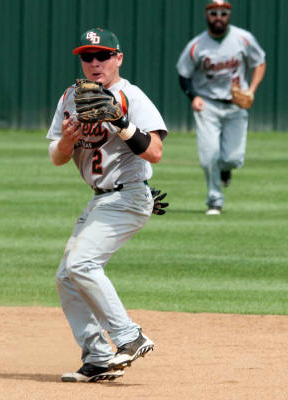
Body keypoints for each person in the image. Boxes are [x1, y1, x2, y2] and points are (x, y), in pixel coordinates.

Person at [46, 27, 168, 383]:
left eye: (102, 56)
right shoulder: (71, 97)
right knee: (67, 277)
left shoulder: (131, 96)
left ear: (118, 58)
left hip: (128, 195)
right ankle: (98, 357)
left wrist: (121, 123)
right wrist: (67, 143)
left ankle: (130, 336)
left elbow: (155, 152)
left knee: (82, 263)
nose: (95, 62)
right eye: (88, 57)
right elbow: (56, 157)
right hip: (100, 198)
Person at [176, 0, 266, 215]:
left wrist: (252, 90)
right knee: (209, 156)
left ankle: (226, 170)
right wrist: (193, 97)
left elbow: (260, 62)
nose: (219, 17)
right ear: (207, 15)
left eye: (223, 13)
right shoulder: (197, 45)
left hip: (236, 104)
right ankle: (214, 200)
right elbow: (183, 73)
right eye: (214, 13)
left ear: (229, 15)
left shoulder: (243, 38)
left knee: (232, 159)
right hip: (208, 104)